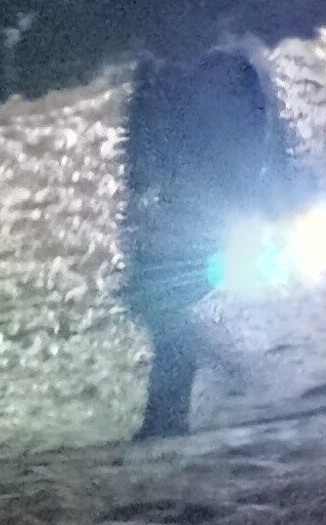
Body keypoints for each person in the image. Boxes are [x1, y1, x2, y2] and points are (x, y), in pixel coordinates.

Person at [117, 44, 309, 441]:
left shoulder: (174, 66)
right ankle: (207, 378)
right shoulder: (222, 66)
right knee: (158, 302)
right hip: (204, 198)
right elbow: (263, 129)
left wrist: (141, 178)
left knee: (159, 303)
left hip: (203, 200)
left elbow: (145, 122)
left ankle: (177, 408)